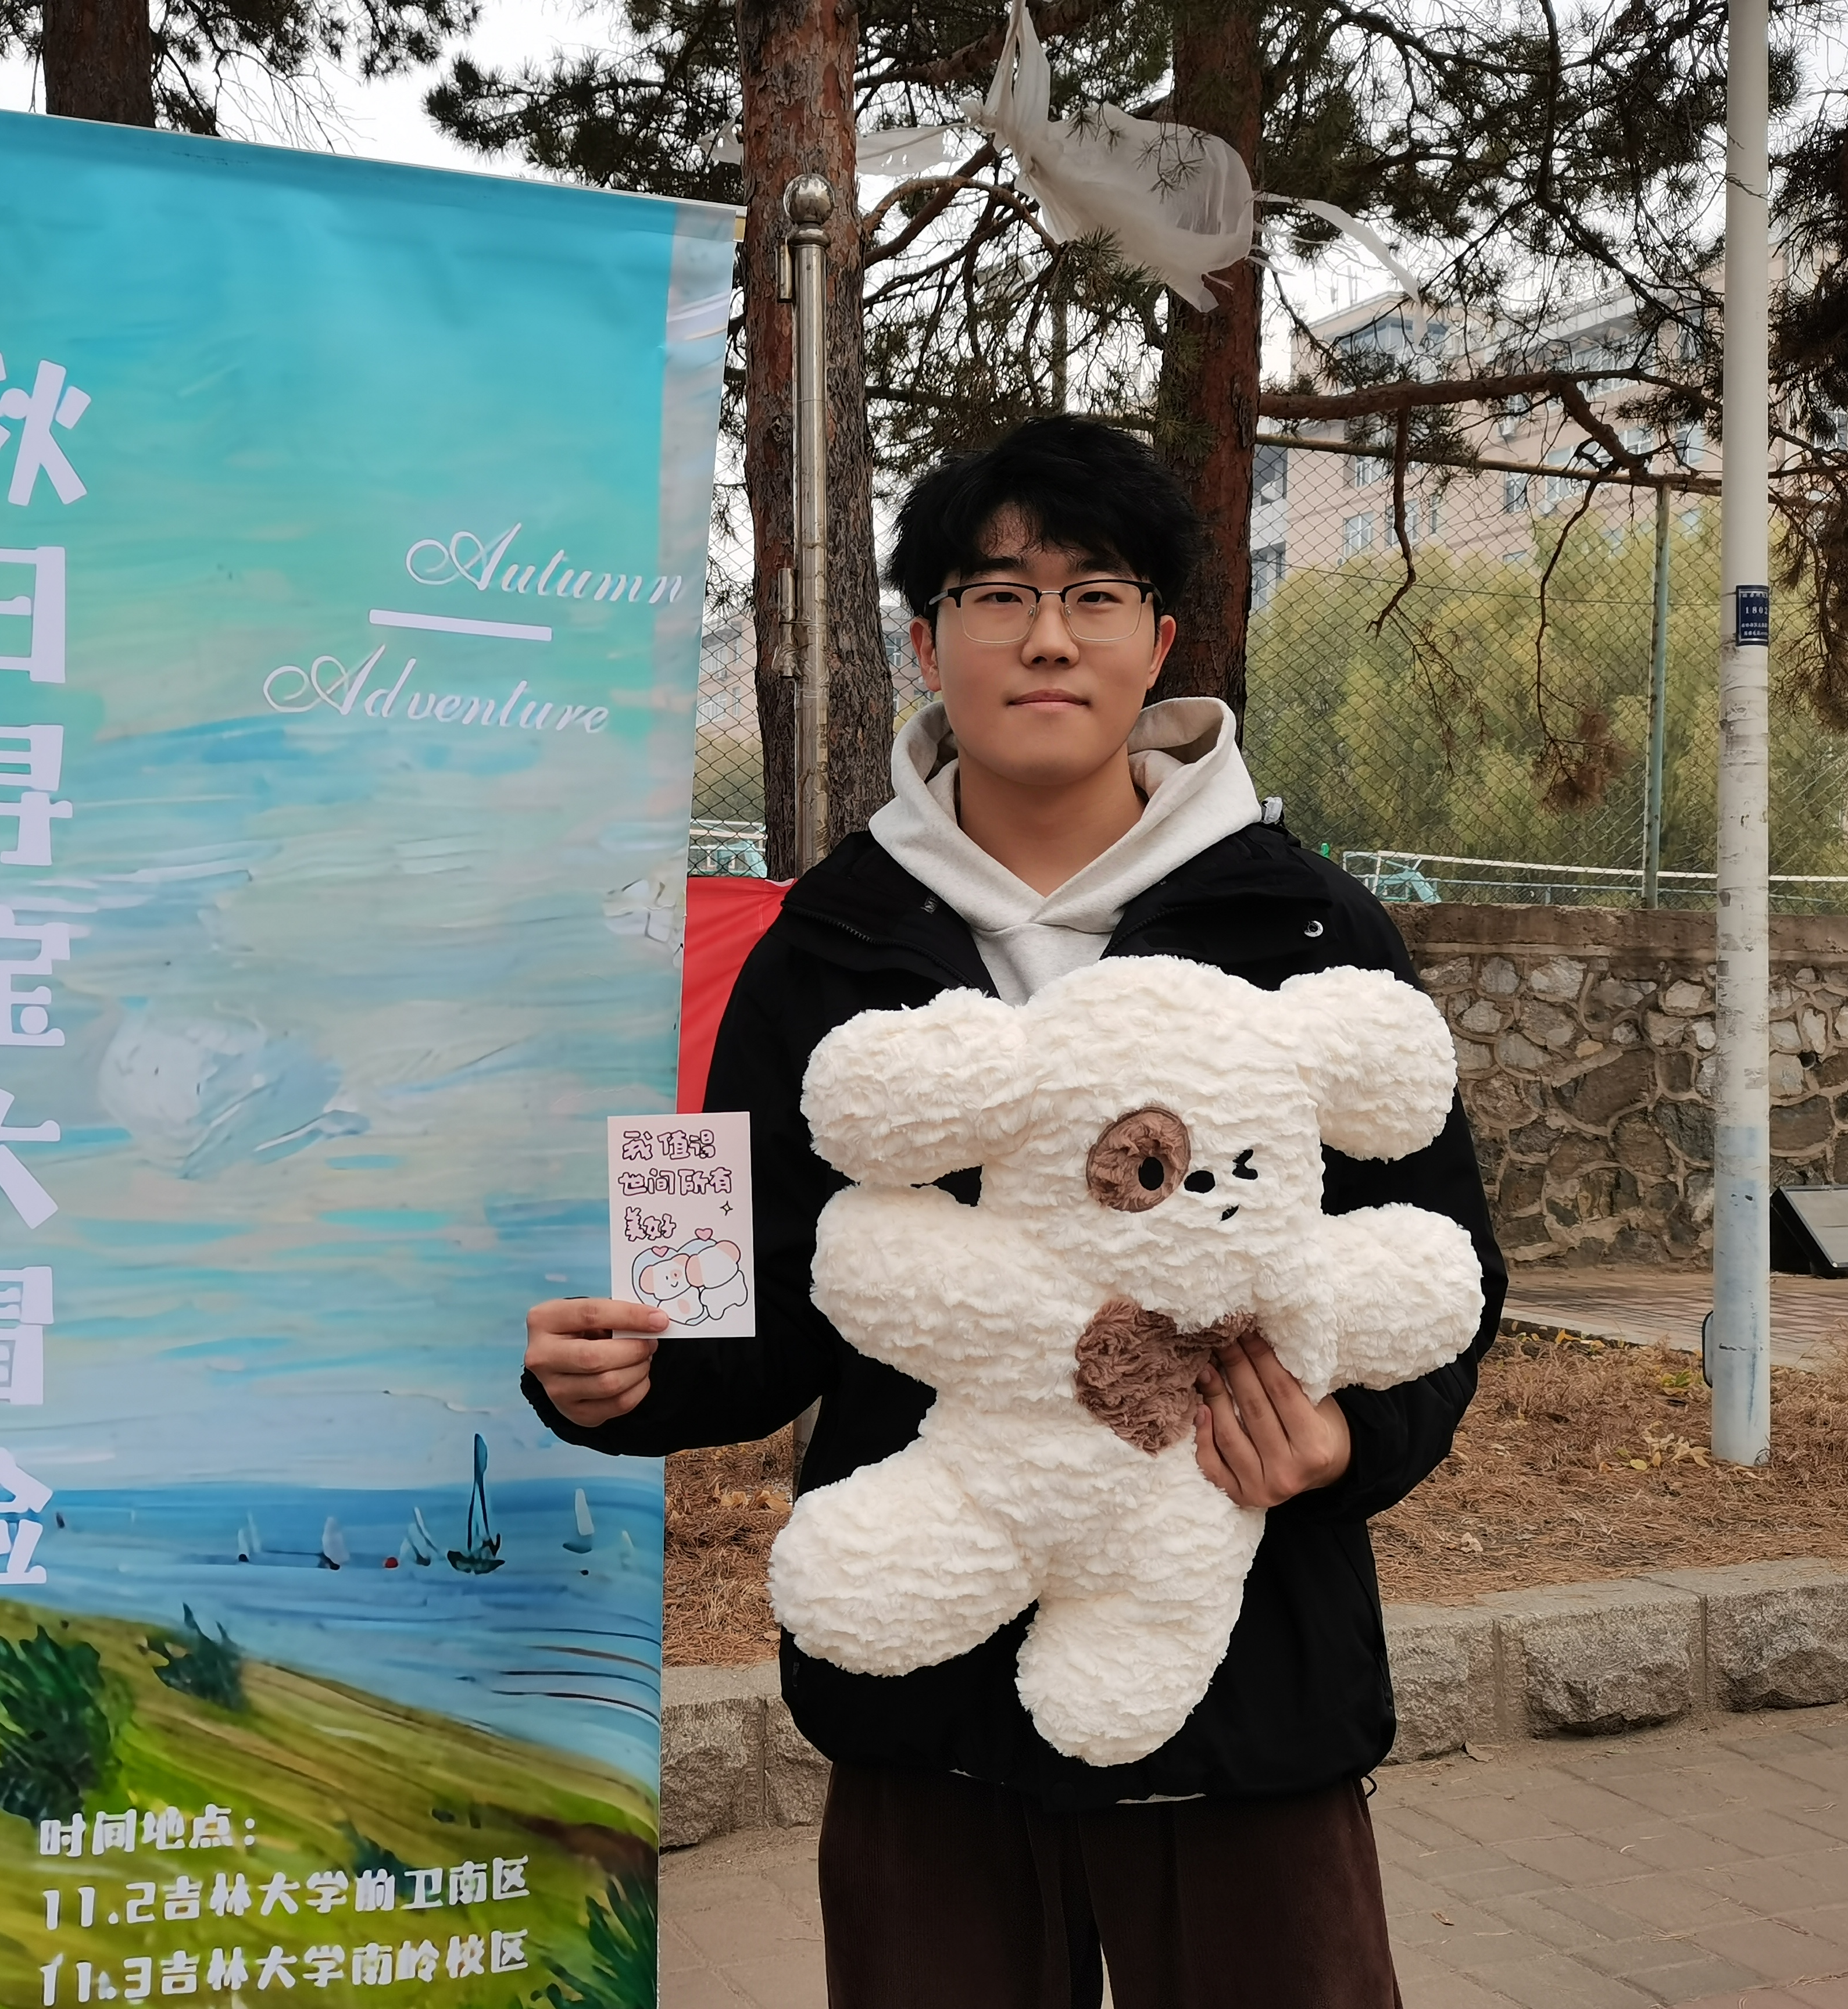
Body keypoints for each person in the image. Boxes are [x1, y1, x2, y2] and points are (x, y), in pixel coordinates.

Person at [522, 414, 1506, 2008]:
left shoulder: (1304, 924)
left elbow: (1443, 1269)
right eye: (999, 596)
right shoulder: (831, 942)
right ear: (928, 643)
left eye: (1095, 594)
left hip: (1244, 1684)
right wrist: (627, 1375)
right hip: (933, 1708)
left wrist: (1347, 1445)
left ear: (1160, 642)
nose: (1049, 638)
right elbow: (760, 1296)